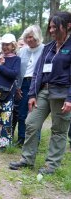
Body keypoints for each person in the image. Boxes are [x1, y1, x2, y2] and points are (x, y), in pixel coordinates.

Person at [9, 11, 71, 175]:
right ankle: (27, 159)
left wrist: (70, 98)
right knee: (31, 123)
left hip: (63, 93)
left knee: (58, 130)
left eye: (54, 27)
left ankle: (51, 165)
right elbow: (37, 72)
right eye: (49, 27)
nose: (51, 30)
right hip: (44, 90)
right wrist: (32, 95)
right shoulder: (49, 47)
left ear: (68, 26)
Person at [13, 25, 44, 146]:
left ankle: (35, 140)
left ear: (37, 37)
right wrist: (17, 86)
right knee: (21, 113)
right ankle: (21, 138)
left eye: (31, 37)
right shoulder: (22, 51)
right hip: (23, 84)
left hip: (38, 84)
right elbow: (17, 70)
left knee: (36, 114)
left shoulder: (45, 49)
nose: (29, 39)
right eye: (27, 37)